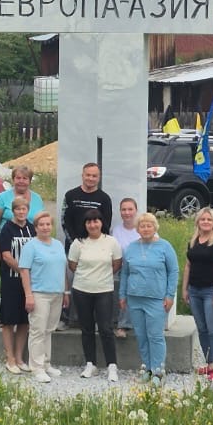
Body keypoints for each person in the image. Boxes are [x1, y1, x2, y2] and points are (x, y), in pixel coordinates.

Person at [118, 212, 178, 385]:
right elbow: (125, 273)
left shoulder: (165, 246)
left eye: (149, 226)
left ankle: (158, 372)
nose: (145, 229)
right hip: (135, 298)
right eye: (142, 226)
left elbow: (173, 271)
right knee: (141, 335)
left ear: (155, 227)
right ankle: (147, 369)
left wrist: (170, 295)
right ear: (137, 229)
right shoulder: (131, 247)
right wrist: (122, 294)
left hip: (156, 298)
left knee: (155, 335)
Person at [68, 209, 123, 382]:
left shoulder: (111, 242)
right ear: (85, 225)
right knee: (87, 328)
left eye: (96, 221)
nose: (92, 225)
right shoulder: (78, 243)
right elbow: (72, 265)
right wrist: (88, 276)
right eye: (89, 222)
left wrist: (101, 275)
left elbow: (117, 263)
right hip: (81, 290)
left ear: (101, 222)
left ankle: (112, 366)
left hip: (104, 290)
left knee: (106, 328)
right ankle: (90, 364)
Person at [19, 211, 69, 384]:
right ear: (36, 227)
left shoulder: (58, 244)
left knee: (49, 330)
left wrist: (66, 292)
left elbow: (62, 269)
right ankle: (37, 367)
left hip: (57, 293)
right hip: (39, 293)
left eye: (48, 224)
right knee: (38, 330)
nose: (45, 227)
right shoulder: (31, 246)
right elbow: (24, 271)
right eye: (42, 225)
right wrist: (28, 295)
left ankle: (46, 363)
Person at [61, 162, 113, 327]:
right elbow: (64, 221)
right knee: (69, 283)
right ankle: (66, 319)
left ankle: (95, 320)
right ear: (82, 175)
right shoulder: (71, 195)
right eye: (88, 175)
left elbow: (106, 225)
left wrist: (94, 244)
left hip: (96, 251)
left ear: (99, 177)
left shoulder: (104, 199)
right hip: (73, 247)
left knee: (94, 285)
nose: (91, 178)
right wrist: (76, 242)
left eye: (94, 176)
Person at [183, 207, 213, 381]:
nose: (206, 222)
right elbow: (188, 266)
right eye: (203, 219)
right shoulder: (193, 241)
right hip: (194, 290)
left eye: (209, 219)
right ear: (198, 222)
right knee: (201, 329)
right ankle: (209, 363)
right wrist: (184, 289)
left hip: (212, 290)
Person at [0, 196, 36, 374]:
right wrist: (22, 270)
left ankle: (20, 358)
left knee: (24, 320)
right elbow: (6, 255)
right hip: (11, 279)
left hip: (29, 282)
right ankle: (10, 358)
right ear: (13, 211)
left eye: (24, 209)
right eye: (18, 209)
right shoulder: (7, 229)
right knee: (8, 320)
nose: (21, 212)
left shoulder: (31, 228)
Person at [0, 165, 44, 262]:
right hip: (8, 246)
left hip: (32, 245)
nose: (21, 181)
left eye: (25, 178)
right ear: (13, 179)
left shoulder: (37, 199)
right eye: (18, 178)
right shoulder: (3, 197)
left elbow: (41, 223)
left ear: (30, 181)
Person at [111, 196, 141, 338]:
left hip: (141, 270)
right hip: (122, 269)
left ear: (136, 210)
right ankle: (120, 324)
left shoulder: (143, 228)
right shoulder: (116, 231)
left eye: (130, 209)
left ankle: (125, 324)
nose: (127, 212)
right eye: (123, 210)